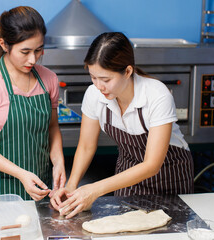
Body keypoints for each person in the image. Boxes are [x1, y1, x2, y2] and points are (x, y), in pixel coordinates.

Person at [50, 32, 194, 218]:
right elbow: (86, 146)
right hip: (126, 175)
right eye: (93, 77)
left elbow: (151, 165)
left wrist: (95, 190)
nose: (99, 86)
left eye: (106, 80)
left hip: (169, 174)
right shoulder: (94, 94)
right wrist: (71, 187)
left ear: (127, 71)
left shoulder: (157, 95)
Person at [0, 6, 66, 201]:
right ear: (3, 44)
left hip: (39, 187)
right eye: (25, 51)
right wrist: (21, 174)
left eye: (38, 50)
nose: (33, 59)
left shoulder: (49, 80)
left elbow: (52, 128)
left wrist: (59, 162)